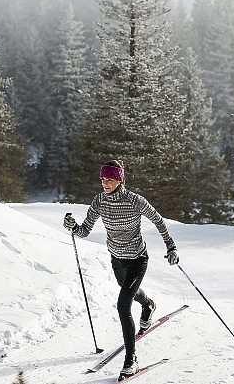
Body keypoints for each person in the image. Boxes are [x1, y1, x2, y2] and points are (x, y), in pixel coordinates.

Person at [63, 160, 179, 381]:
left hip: (137, 259)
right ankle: (148, 305)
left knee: (122, 305)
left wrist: (171, 246)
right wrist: (73, 227)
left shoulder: (135, 201)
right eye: (103, 179)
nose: (105, 183)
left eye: (110, 179)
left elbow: (158, 221)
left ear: (120, 179)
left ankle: (131, 360)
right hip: (117, 260)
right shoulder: (99, 201)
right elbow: (85, 230)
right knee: (132, 294)